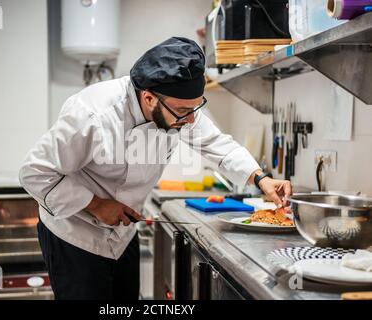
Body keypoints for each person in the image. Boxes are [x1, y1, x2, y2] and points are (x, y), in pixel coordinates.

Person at [19, 37, 292, 300]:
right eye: (184, 111)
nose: (192, 119)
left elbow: (217, 143)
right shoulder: (92, 114)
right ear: (149, 99)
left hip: (123, 234)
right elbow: (35, 172)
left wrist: (261, 179)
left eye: (196, 108)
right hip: (74, 235)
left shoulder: (180, 107)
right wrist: (97, 204)